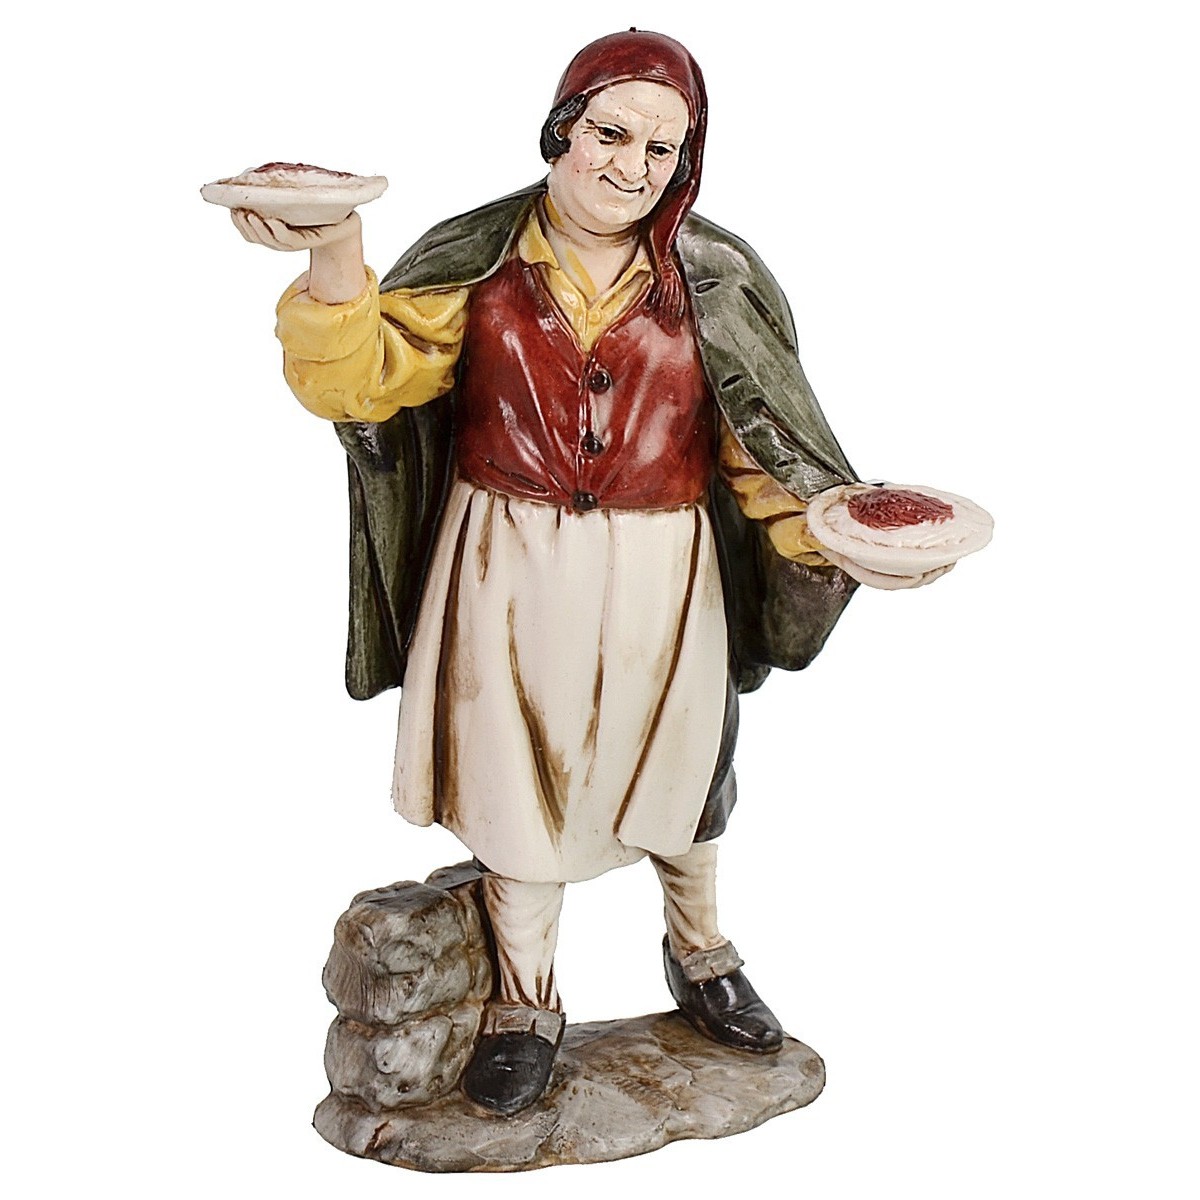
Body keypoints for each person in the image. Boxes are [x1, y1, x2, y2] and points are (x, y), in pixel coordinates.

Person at [232, 30, 931, 1115]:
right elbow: (361, 382)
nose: (631, 166)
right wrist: (336, 254)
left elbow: (765, 451)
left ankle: (701, 953)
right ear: (561, 131)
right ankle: (525, 1004)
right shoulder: (480, 261)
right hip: (506, 561)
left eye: (662, 148)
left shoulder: (714, 277)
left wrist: (836, 542)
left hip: (665, 567)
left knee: (681, 769)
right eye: (610, 133)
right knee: (517, 785)